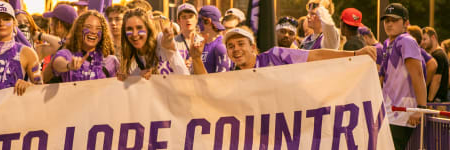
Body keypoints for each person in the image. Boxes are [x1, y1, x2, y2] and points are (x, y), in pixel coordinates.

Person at [188, 26, 375, 74]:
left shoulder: (277, 55)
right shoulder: (234, 76)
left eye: (240, 44)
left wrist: (354, 54)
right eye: (230, 46)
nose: (235, 49)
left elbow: (315, 55)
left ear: (253, 47)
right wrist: (196, 58)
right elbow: (208, 89)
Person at [379, 3, 427, 150]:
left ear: (406, 23)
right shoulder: (388, 42)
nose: (389, 24)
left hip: (403, 113)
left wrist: (420, 108)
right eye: (387, 20)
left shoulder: (407, 41)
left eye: (394, 20)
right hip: (389, 111)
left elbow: (418, 75)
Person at [117, 8, 188, 80]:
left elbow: (167, 43)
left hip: (183, 87)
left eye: (139, 28)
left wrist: (168, 39)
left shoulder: (160, 40)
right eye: (129, 29)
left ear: (148, 29)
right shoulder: (131, 61)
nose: (134, 34)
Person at [50, 10, 118, 83]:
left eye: (98, 28)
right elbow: (57, 63)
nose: (93, 32)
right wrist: (69, 65)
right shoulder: (67, 54)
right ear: (79, 29)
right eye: (88, 27)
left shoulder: (110, 60)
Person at [42, 3, 78, 82]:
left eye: (51, 25)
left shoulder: (62, 46)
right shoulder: (79, 44)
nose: (50, 29)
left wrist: (40, 36)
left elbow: (43, 79)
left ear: (59, 25)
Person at [197, 5, 232, 73]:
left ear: (208, 21)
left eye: (199, 20)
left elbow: (221, 79)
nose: (197, 23)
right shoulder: (199, 44)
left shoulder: (221, 46)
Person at [422, 27, 448, 102]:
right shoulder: (439, 54)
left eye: (425, 39)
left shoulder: (438, 55)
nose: (422, 42)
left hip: (436, 101)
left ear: (433, 37)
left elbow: (436, 80)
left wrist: (429, 101)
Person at [174, 3, 201, 70]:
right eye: (184, 17)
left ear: (196, 19)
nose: (188, 20)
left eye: (191, 16)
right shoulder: (173, 42)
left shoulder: (202, 41)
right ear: (178, 21)